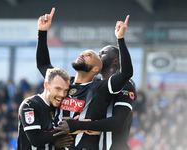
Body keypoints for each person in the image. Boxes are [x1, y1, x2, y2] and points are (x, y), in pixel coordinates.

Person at [36, 7, 133, 150]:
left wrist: (120, 39)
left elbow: (126, 73)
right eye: (82, 53)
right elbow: (43, 64)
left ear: (95, 69)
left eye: (89, 55)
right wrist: (42, 31)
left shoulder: (100, 88)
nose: (82, 55)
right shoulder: (63, 83)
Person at [54, 45, 137, 150]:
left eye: (103, 53)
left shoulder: (126, 84)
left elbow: (119, 122)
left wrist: (81, 125)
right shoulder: (95, 85)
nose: (99, 55)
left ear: (116, 61)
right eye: (98, 53)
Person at [17, 68, 73, 150]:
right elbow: (35, 139)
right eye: (58, 89)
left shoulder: (61, 107)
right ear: (46, 85)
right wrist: (63, 132)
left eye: (65, 90)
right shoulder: (29, 105)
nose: (62, 94)